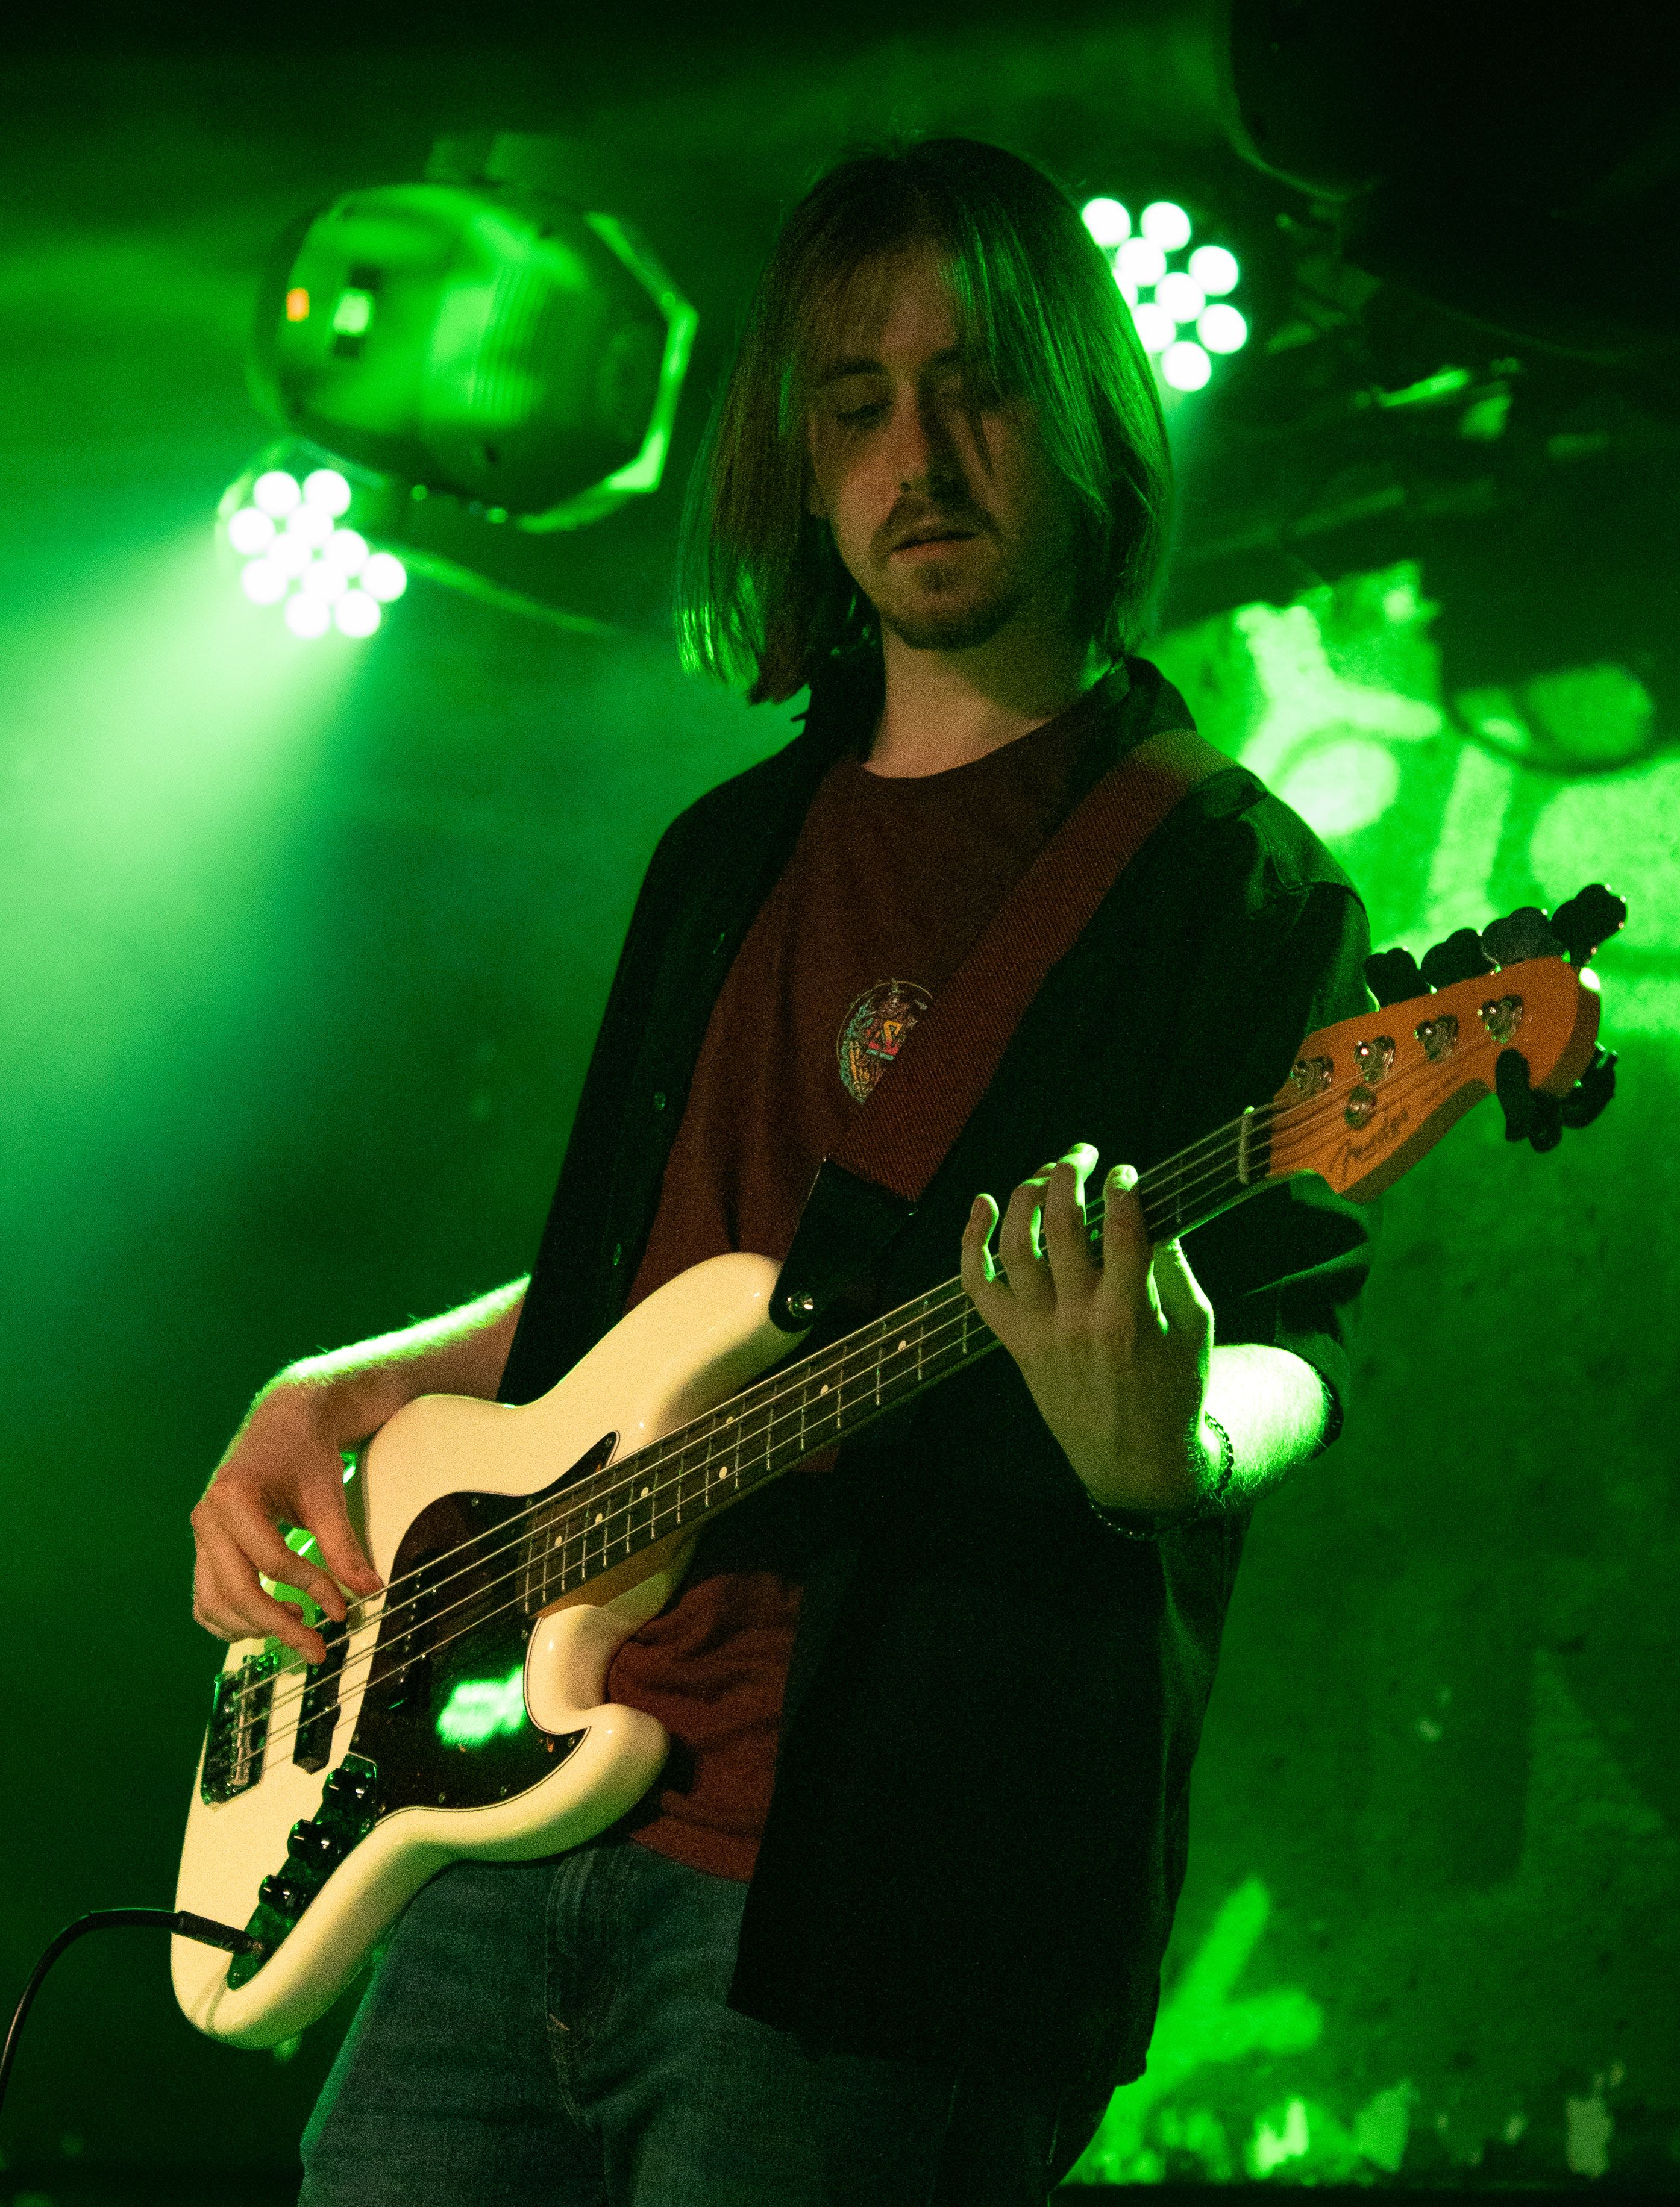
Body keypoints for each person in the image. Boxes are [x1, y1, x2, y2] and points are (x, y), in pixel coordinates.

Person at [190, 137, 1374, 2206]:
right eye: (855, 404)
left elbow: (1298, 1338)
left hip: (877, 1900)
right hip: (502, 1829)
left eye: (976, 384)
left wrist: (1173, 1439)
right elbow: (639, 1280)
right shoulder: (724, 847)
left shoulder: (1226, 884)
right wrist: (352, 1385)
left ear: (1088, 408)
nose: (916, 453)